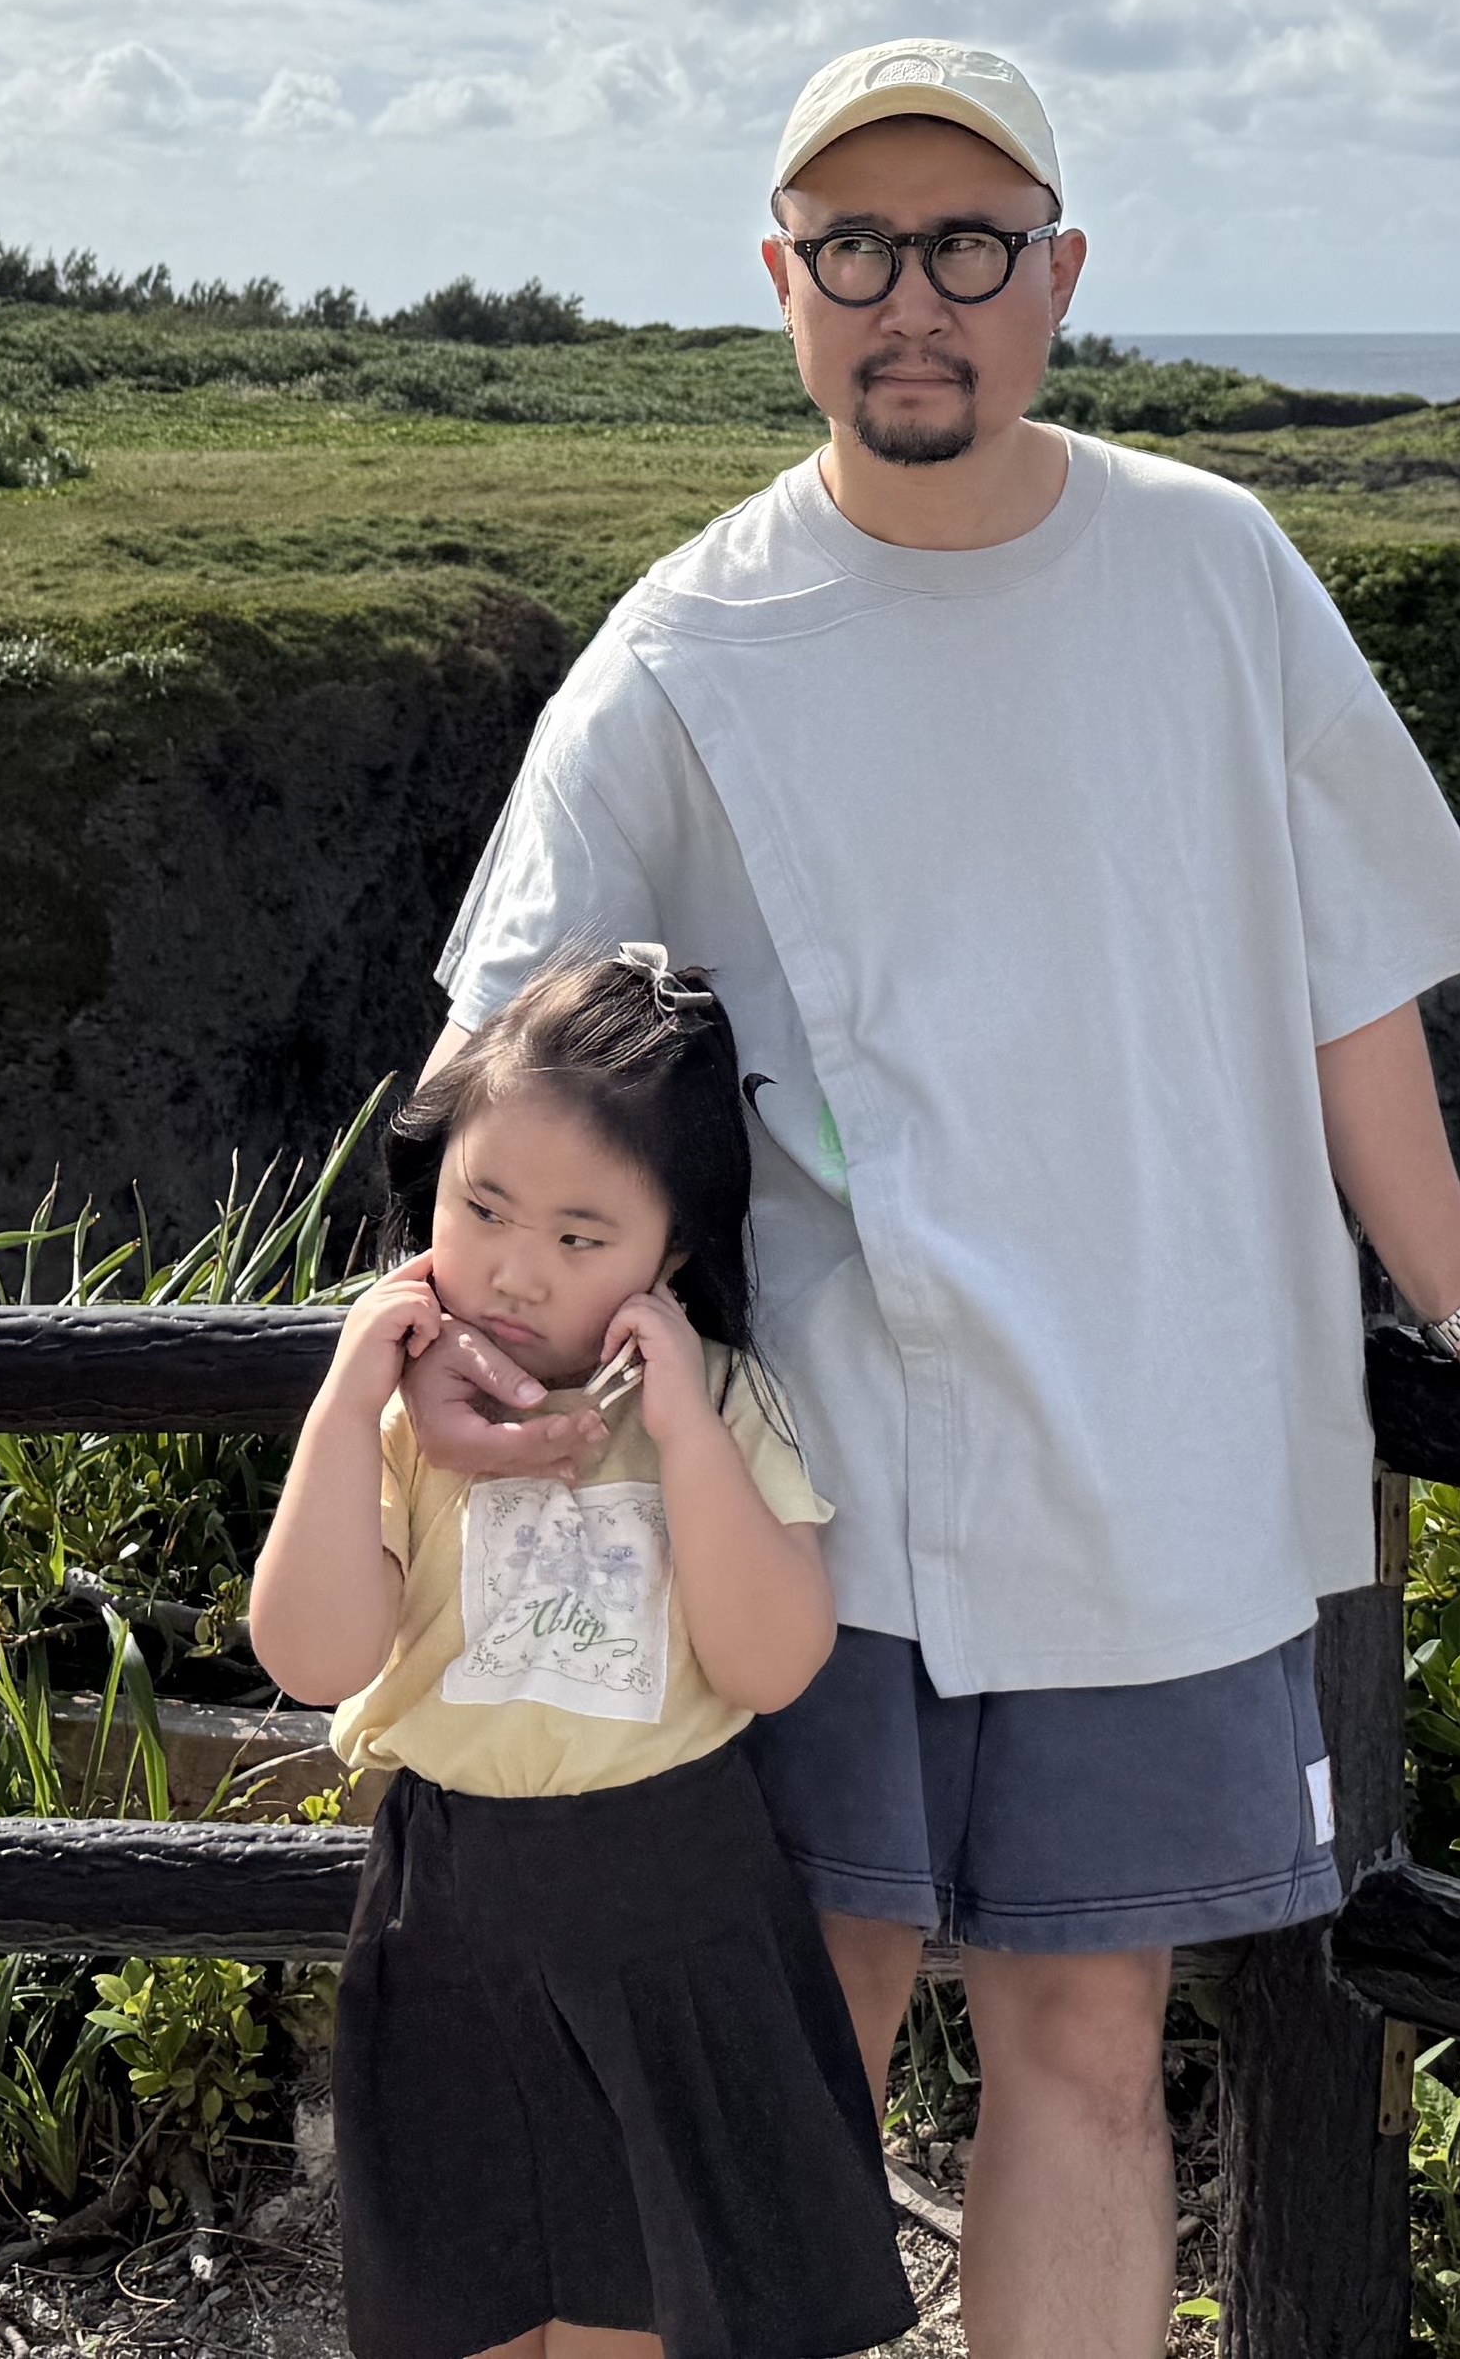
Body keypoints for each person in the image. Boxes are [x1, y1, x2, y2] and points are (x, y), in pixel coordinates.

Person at [404, 33, 1460, 2359]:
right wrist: (468, 1350)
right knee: (803, 2047)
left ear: (1057, 273)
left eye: (966, 244)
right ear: (779, 283)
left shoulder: (1213, 567)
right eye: (857, 247)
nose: (915, 299)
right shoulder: (687, 647)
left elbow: (1346, 987)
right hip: (812, 1484)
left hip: (1167, 1447)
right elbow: (507, 1066)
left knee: (1093, 2052)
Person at [247, 947, 916, 2359]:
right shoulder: (398, 1420)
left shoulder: (724, 1404)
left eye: (580, 1233)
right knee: (463, 2289)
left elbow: (772, 1661)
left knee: (639, 2307)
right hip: (451, 1899)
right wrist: (349, 1384)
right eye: (480, 1206)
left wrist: (679, 1432)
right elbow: (311, 1656)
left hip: (674, 1901)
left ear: (669, 1254)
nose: (514, 1268)